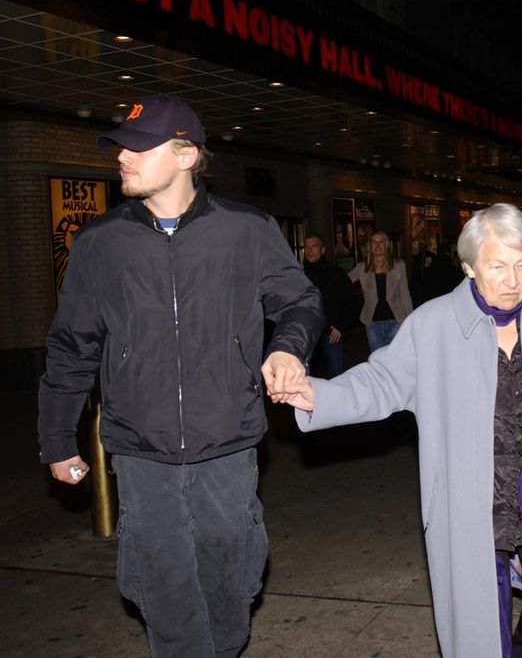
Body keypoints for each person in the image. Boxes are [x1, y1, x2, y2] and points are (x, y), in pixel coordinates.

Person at [278, 204, 522, 657]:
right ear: (469, 267)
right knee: (479, 622)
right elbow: (381, 381)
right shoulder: (432, 324)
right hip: (473, 499)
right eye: (497, 266)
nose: (513, 280)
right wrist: (316, 396)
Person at [37, 94, 323, 657]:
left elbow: (301, 302)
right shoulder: (99, 244)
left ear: (187, 155)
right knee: (161, 585)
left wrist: (288, 349)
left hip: (228, 442)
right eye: (121, 145)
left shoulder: (247, 230)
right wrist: (55, 437)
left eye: (139, 147)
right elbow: (72, 345)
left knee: (232, 582)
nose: (123, 156)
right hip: (141, 451)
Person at [303, 233, 358, 378]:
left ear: (322, 249)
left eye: (313, 246)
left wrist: (341, 326)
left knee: (335, 378)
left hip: (330, 335)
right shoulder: (299, 274)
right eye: (306, 247)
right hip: (306, 336)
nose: (309, 250)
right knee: (306, 380)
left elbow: (352, 300)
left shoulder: (335, 273)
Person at [348, 229, 412, 352]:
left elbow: (404, 294)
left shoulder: (399, 265)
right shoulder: (362, 267)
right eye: (373, 242)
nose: (377, 245)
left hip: (396, 321)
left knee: (395, 359)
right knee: (376, 361)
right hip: (372, 324)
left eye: (381, 242)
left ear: (386, 244)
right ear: (370, 246)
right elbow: (343, 282)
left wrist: (410, 319)